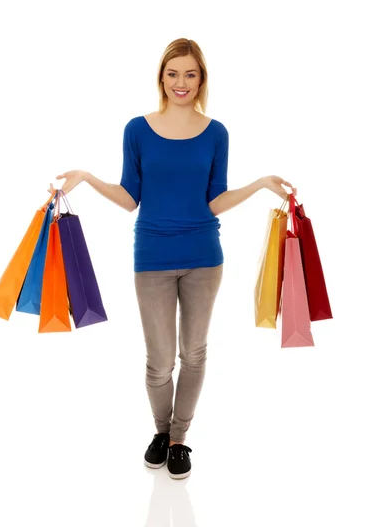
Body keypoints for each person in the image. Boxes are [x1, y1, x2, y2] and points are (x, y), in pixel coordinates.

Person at [48, 38, 297, 480]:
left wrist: (259, 183)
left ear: (201, 79)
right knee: (159, 361)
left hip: (205, 257)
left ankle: (179, 439)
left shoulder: (217, 131)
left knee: (194, 353)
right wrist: (85, 178)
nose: (181, 82)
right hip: (153, 257)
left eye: (190, 74)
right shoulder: (137, 129)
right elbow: (130, 198)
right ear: (161, 77)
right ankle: (161, 433)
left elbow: (215, 200)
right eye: (172, 73)